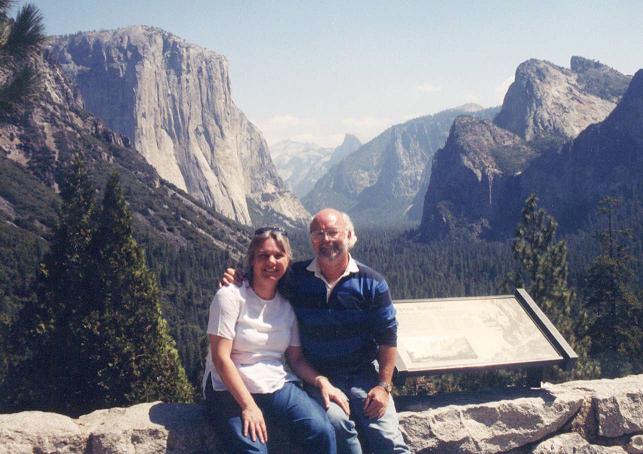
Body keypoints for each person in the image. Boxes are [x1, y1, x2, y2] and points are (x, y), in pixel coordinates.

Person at [223, 210, 410, 454]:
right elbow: (265, 272)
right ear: (311, 241)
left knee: (387, 438)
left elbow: (387, 338)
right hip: (319, 375)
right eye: (318, 234)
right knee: (338, 426)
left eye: (333, 232)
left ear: (349, 235)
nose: (326, 239)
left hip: (363, 374)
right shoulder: (296, 278)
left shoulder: (372, 283)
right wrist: (236, 276)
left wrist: (383, 387)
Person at [202, 227, 340, 453]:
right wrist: (249, 406)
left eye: (278, 255)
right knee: (254, 450)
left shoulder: (287, 306)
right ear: (252, 260)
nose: (271, 262)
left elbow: (295, 360)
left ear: (288, 260)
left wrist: (321, 380)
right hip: (227, 387)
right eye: (263, 255)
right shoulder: (229, 296)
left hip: (274, 382)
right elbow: (220, 358)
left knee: (321, 431)